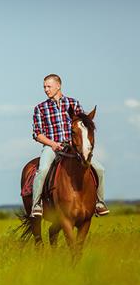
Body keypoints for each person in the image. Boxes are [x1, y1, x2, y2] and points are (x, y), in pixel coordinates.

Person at [31, 74, 109, 217]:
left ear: (58, 86)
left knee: (100, 169)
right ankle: (36, 204)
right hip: (52, 146)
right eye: (44, 87)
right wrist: (53, 144)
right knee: (42, 170)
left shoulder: (73, 103)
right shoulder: (40, 108)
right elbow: (37, 134)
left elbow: (83, 125)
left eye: (49, 86)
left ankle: (99, 202)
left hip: (73, 147)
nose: (46, 90)